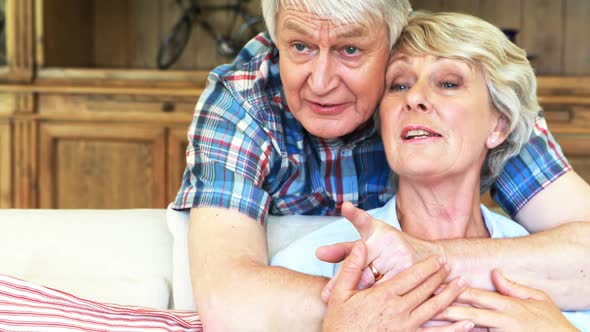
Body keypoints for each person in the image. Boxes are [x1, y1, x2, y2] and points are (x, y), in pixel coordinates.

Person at [172, 0, 590, 330]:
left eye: (350, 50)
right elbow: (231, 303)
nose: (320, 82)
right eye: (299, 47)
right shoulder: (244, 101)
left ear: (394, 40)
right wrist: (386, 311)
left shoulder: (477, 100)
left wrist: (422, 263)